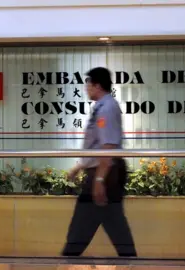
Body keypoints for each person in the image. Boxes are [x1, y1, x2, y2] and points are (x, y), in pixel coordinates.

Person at [62, 67, 137, 257]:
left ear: (97, 85)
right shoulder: (101, 107)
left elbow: (108, 146)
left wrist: (99, 180)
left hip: (106, 172)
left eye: (88, 84)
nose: (86, 88)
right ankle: (131, 260)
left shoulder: (107, 108)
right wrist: (80, 166)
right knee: (111, 220)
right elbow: (97, 146)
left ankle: (68, 258)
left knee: (85, 221)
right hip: (102, 170)